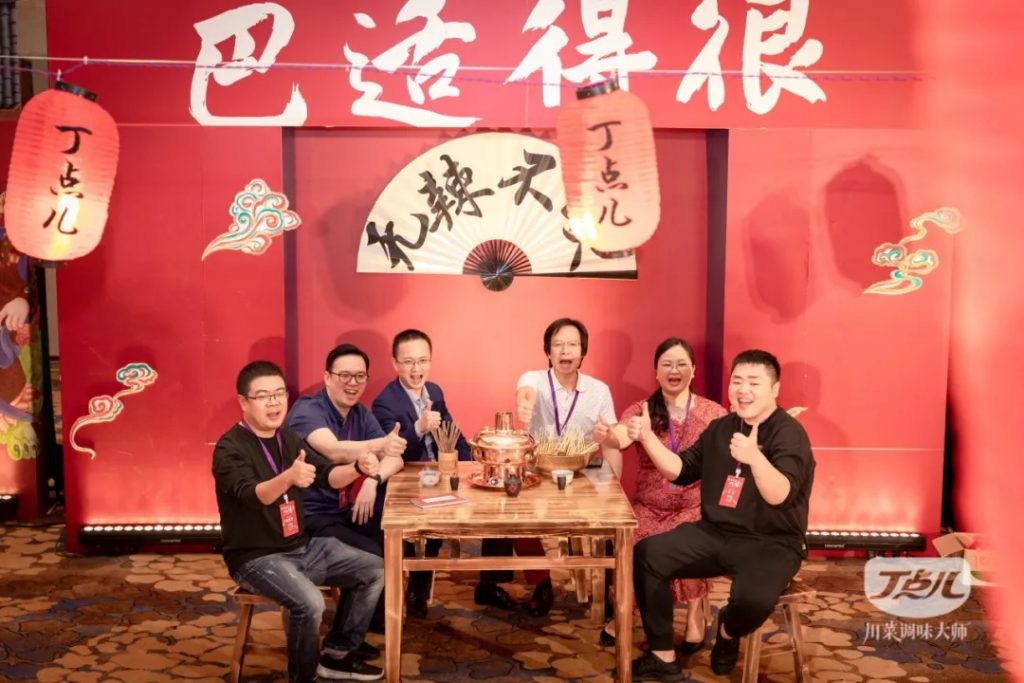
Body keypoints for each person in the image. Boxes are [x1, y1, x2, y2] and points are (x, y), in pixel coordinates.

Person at [628, 350, 815, 681]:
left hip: (772, 542)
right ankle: (662, 655)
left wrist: (755, 458)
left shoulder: (789, 434)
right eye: (737, 381)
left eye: (754, 383)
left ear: (775, 389)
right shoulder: (720, 428)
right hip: (717, 532)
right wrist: (646, 437)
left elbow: (780, 494)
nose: (743, 390)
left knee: (751, 602)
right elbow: (680, 470)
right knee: (647, 554)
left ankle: (728, 631)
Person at [212, 360, 385, 682]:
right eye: (264, 396)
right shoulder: (229, 448)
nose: (274, 402)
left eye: (279, 394)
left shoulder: (288, 439)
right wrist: (289, 477)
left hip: (300, 546)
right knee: (311, 603)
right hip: (255, 557)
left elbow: (328, 476)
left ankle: (338, 654)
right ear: (243, 402)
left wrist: (358, 469)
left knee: (375, 569)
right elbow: (255, 495)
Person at [476, 317, 616, 617]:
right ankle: (533, 581)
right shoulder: (535, 379)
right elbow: (525, 391)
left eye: (572, 344)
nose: (565, 351)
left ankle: (605, 589)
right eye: (558, 345)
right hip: (537, 467)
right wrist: (524, 403)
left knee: (608, 511)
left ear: (583, 351)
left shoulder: (599, 390)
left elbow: (612, 435)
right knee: (507, 497)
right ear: (548, 351)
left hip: (582, 468)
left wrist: (609, 438)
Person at [593, 337, 727, 651]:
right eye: (666, 364)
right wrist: (607, 435)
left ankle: (695, 614)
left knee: (691, 538)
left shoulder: (713, 413)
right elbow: (620, 437)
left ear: (693, 370)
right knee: (634, 540)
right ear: (656, 372)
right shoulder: (642, 411)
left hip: (693, 504)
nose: (674, 370)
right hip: (649, 506)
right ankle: (627, 613)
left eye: (681, 364)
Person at [285, 344, 407, 632]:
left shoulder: (360, 414)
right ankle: (344, 640)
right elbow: (334, 450)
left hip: (343, 511)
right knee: (371, 555)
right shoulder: (307, 409)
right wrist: (381, 445)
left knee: (390, 536)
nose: (353, 383)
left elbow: (396, 458)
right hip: (309, 518)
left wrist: (373, 481)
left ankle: (374, 624)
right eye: (345, 376)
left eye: (360, 376)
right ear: (327, 377)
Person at [371, 328, 471, 618]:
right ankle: (390, 600)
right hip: (402, 479)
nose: (417, 369)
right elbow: (391, 452)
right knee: (404, 537)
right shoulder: (385, 402)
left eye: (423, 361)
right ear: (395, 364)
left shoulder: (435, 392)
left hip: (435, 477)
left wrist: (470, 464)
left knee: (438, 524)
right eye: (409, 362)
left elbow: (452, 432)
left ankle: (418, 590)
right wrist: (419, 427)